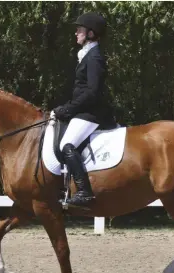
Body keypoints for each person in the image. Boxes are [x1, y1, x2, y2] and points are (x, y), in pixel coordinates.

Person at [53, 12, 115, 208]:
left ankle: (84, 192)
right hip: (83, 111)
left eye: (79, 29)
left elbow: (92, 92)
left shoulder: (94, 57)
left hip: (91, 113)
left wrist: (69, 109)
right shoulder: (86, 55)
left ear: (90, 33)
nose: (76, 33)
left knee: (67, 144)